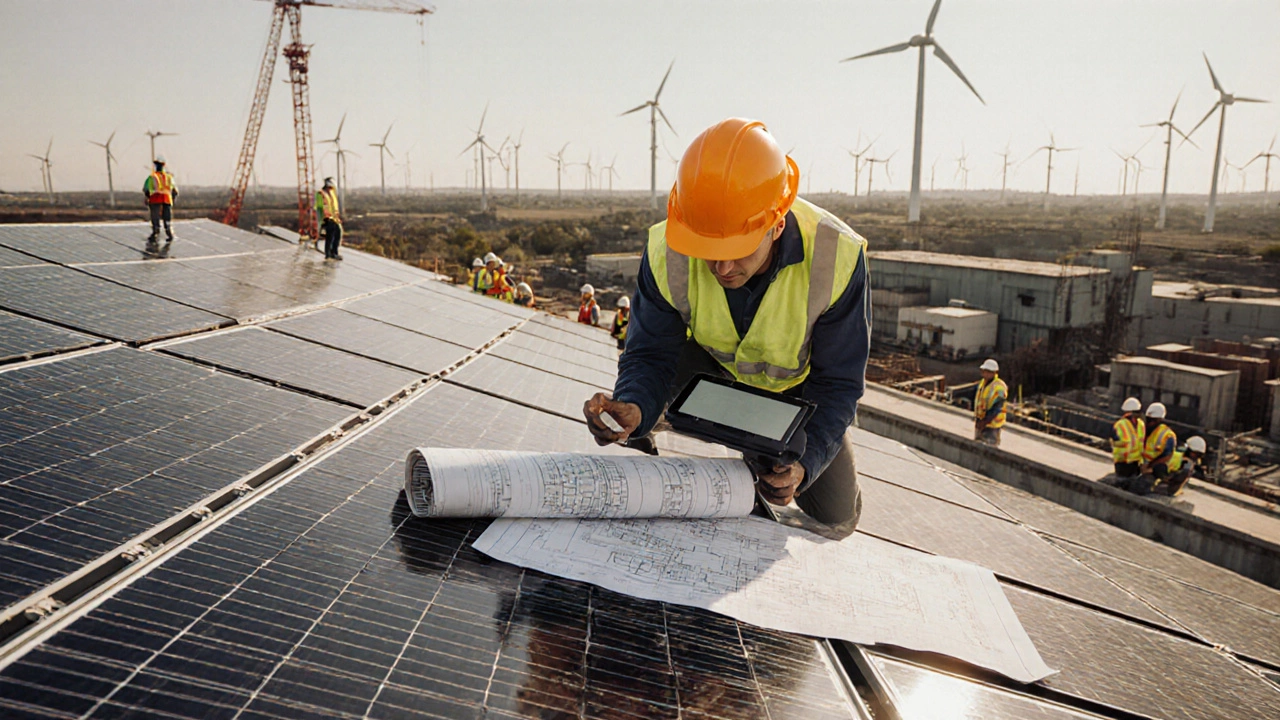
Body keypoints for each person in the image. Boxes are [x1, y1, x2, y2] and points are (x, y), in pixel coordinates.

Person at [582, 118, 870, 537]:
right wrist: (634, 405)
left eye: (736, 251)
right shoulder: (667, 250)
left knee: (836, 513)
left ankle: (770, 451)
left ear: (777, 223)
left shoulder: (835, 256)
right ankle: (653, 422)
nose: (722, 268)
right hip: (708, 374)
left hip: (795, 400)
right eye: (708, 250)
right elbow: (650, 354)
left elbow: (839, 383)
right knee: (642, 406)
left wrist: (805, 464)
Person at [1125, 402, 1177, 495]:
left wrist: (1150, 466)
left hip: (1155, 469)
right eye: (1148, 419)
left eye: (1152, 420)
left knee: (1140, 487)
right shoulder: (1144, 429)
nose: (1149, 422)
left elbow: (1167, 455)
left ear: (1160, 420)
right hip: (1141, 465)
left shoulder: (1167, 435)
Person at [142, 155, 178, 242]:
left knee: (155, 217)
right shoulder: (169, 177)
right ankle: (169, 233)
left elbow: (146, 189)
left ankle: (155, 232)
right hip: (167, 199)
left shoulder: (152, 177)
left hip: (155, 198)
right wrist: (172, 200)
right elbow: (175, 191)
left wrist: (147, 198)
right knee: (167, 218)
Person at [973, 359, 1007, 447]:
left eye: (988, 372)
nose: (985, 374)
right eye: (984, 371)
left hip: (992, 425)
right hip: (981, 421)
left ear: (994, 372)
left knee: (990, 447)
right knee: (977, 446)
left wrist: (985, 421)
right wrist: (978, 420)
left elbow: (997, 408)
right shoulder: (983, 383)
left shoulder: (999, 387)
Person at [1111, 397, 1146, 480]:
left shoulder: (1141, 424)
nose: (1140, 413)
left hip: (1136, 462)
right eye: (1137, 411)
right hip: (1123, 462)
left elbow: (1141, 442)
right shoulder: (1120, 424)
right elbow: (1114, 443)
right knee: (1122, 482)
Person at [315, 177, 343, 260]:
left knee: (337, 233)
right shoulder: (321, 194)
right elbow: (322, 207)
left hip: (334, 218)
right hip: (326, 218)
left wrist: (337, 217)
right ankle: (329, 254)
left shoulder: (332, 193)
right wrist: (326, 218)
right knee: (329, 236)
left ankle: (334, 252)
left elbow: (334, 206)